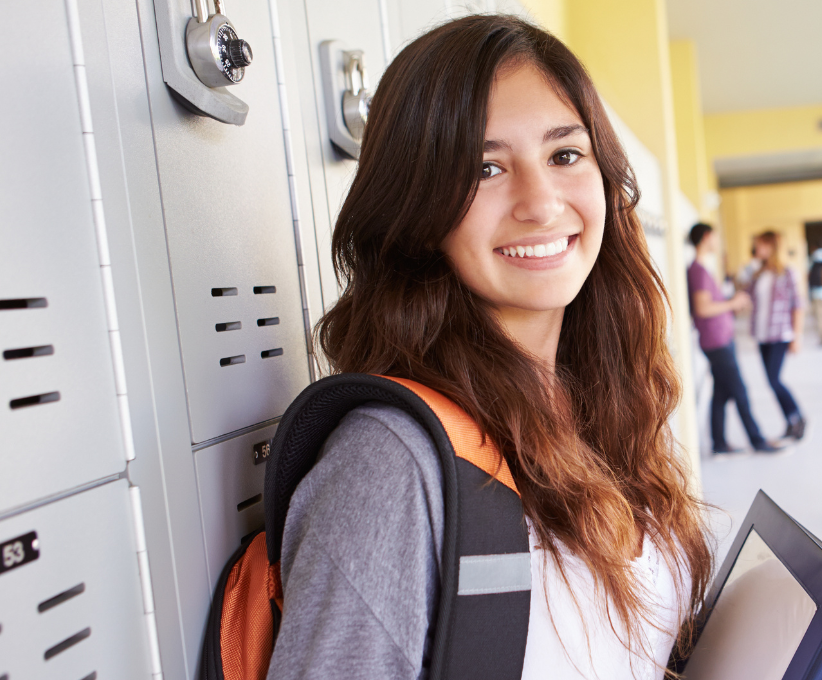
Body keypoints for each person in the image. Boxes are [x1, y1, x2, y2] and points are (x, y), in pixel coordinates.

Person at [269, 16, 714, 679]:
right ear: (418, 212)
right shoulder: (392, 463)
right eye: (485, 168)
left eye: (565, 155)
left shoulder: (601, 402)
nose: (540, 203)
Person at [688, 223, 782, 455]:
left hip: (720, 338)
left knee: (721, 393)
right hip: (716, 341)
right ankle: (757, 441)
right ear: (706, 237)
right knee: (739, 391)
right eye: (716, 237)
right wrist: (732, 303)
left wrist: (730, 303)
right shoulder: (698, 271)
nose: (718, 241)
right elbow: (702, 308)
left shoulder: (702, 268)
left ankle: (719, 444)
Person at [749, 231, 807, 441]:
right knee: (771, 381)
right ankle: (791, 421)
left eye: (760, 245)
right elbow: (746, 297)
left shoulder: (787, 272)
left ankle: (797, 417)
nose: (756, 249)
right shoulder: (758, 273)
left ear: (771, 246)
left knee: (774, 380)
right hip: (763, 334)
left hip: (780, 333)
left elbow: (797, 305)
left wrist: (796, 336)